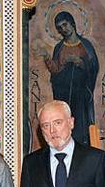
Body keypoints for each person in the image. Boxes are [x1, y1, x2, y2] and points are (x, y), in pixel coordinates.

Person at [42, 11, 99, 146]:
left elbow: (93, 66)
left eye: (65, 25)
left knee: (80, 126)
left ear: (72, 23)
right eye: (60, 27)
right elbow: (55, 70)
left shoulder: (85, 45)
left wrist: (80, 62)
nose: (63, 29)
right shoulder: (59, 47)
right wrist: (46, 57)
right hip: (63, 93)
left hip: (80, 95)